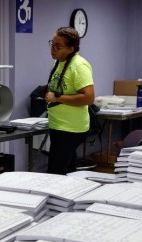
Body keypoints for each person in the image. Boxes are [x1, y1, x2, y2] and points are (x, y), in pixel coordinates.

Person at [45, 27, 95, 175]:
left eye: (57, 46)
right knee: (68, 171)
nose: (52, 49)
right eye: (52, 44)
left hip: (70, 129)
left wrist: (57, 98)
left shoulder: (79, 66)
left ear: (70, 49)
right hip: (59, 126)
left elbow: (89, 97)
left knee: (55, 174)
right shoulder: (60, 61)